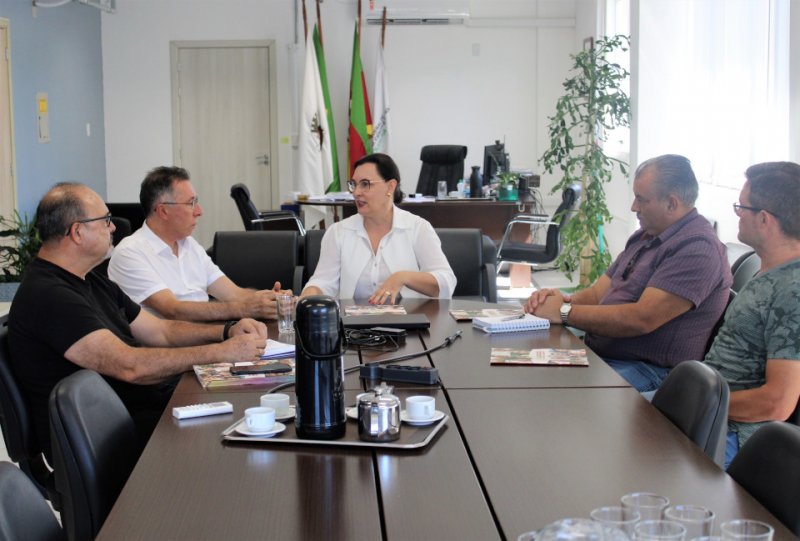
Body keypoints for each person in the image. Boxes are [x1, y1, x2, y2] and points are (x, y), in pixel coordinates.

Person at [8, 182, 267, 457]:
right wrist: (220, 353)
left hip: (137, 413)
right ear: (77, 232)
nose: (113, 227)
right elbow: (130, 366)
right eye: (105, 220)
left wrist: (226, 332)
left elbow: (161, 331)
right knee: (240, 437)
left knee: (250, 407)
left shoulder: (91, 281)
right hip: (111, 440)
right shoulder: (49, 296)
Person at [524, 154, 732, 392]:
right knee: (527, 367)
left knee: (550, 390)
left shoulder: (698, 250)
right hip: (606, 354)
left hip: (648, 370)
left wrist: (563, 312)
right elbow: (596, 295)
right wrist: (559, 301)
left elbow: (641, 319)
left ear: (671, 204)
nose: (634, 207)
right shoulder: (646, 236)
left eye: (641, 199)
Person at [704, 161, 800, 467]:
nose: (737, 214)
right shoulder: (769, 269)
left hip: (735, 434)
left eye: (741, 206)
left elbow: (777, 403)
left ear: (764, 218)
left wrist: (698, 403)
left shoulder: (792, 290)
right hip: (713, 411)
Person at [108, 166, 287, 321]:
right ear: (163, 211)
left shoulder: (190, 245)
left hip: (209, 334)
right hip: (170, 345)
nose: (199, 211)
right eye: (191, 203)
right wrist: (245, 309)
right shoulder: (130, 252)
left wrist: (271, 299)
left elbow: (234, 294)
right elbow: (173, 310)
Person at [301, 153, 456, 303]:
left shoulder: (418, 228)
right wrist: (303, 298)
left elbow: (446, 282)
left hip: (409, 319)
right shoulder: (338, 232)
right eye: (354, 184)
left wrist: (403, 277)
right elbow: (322, 282)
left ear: (390, 187)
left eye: (365, 184)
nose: (356, 192)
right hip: (353, 320)